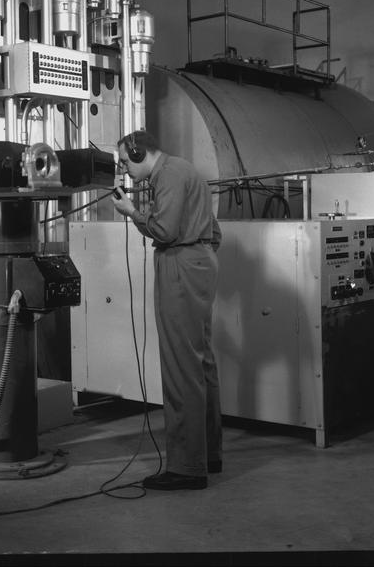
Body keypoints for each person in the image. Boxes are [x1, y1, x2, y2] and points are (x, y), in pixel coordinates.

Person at [111, 131, 222, 491]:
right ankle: (208, 454)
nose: (124, 171)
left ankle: (187, 468)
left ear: (138, 150)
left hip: (181, 264)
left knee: (181, 367)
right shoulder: (185, 170)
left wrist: (132, 213)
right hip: (201, 260)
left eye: (125, 162)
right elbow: (214, 232)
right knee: (201, 362)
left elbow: (164, 230)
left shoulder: (168, 176)